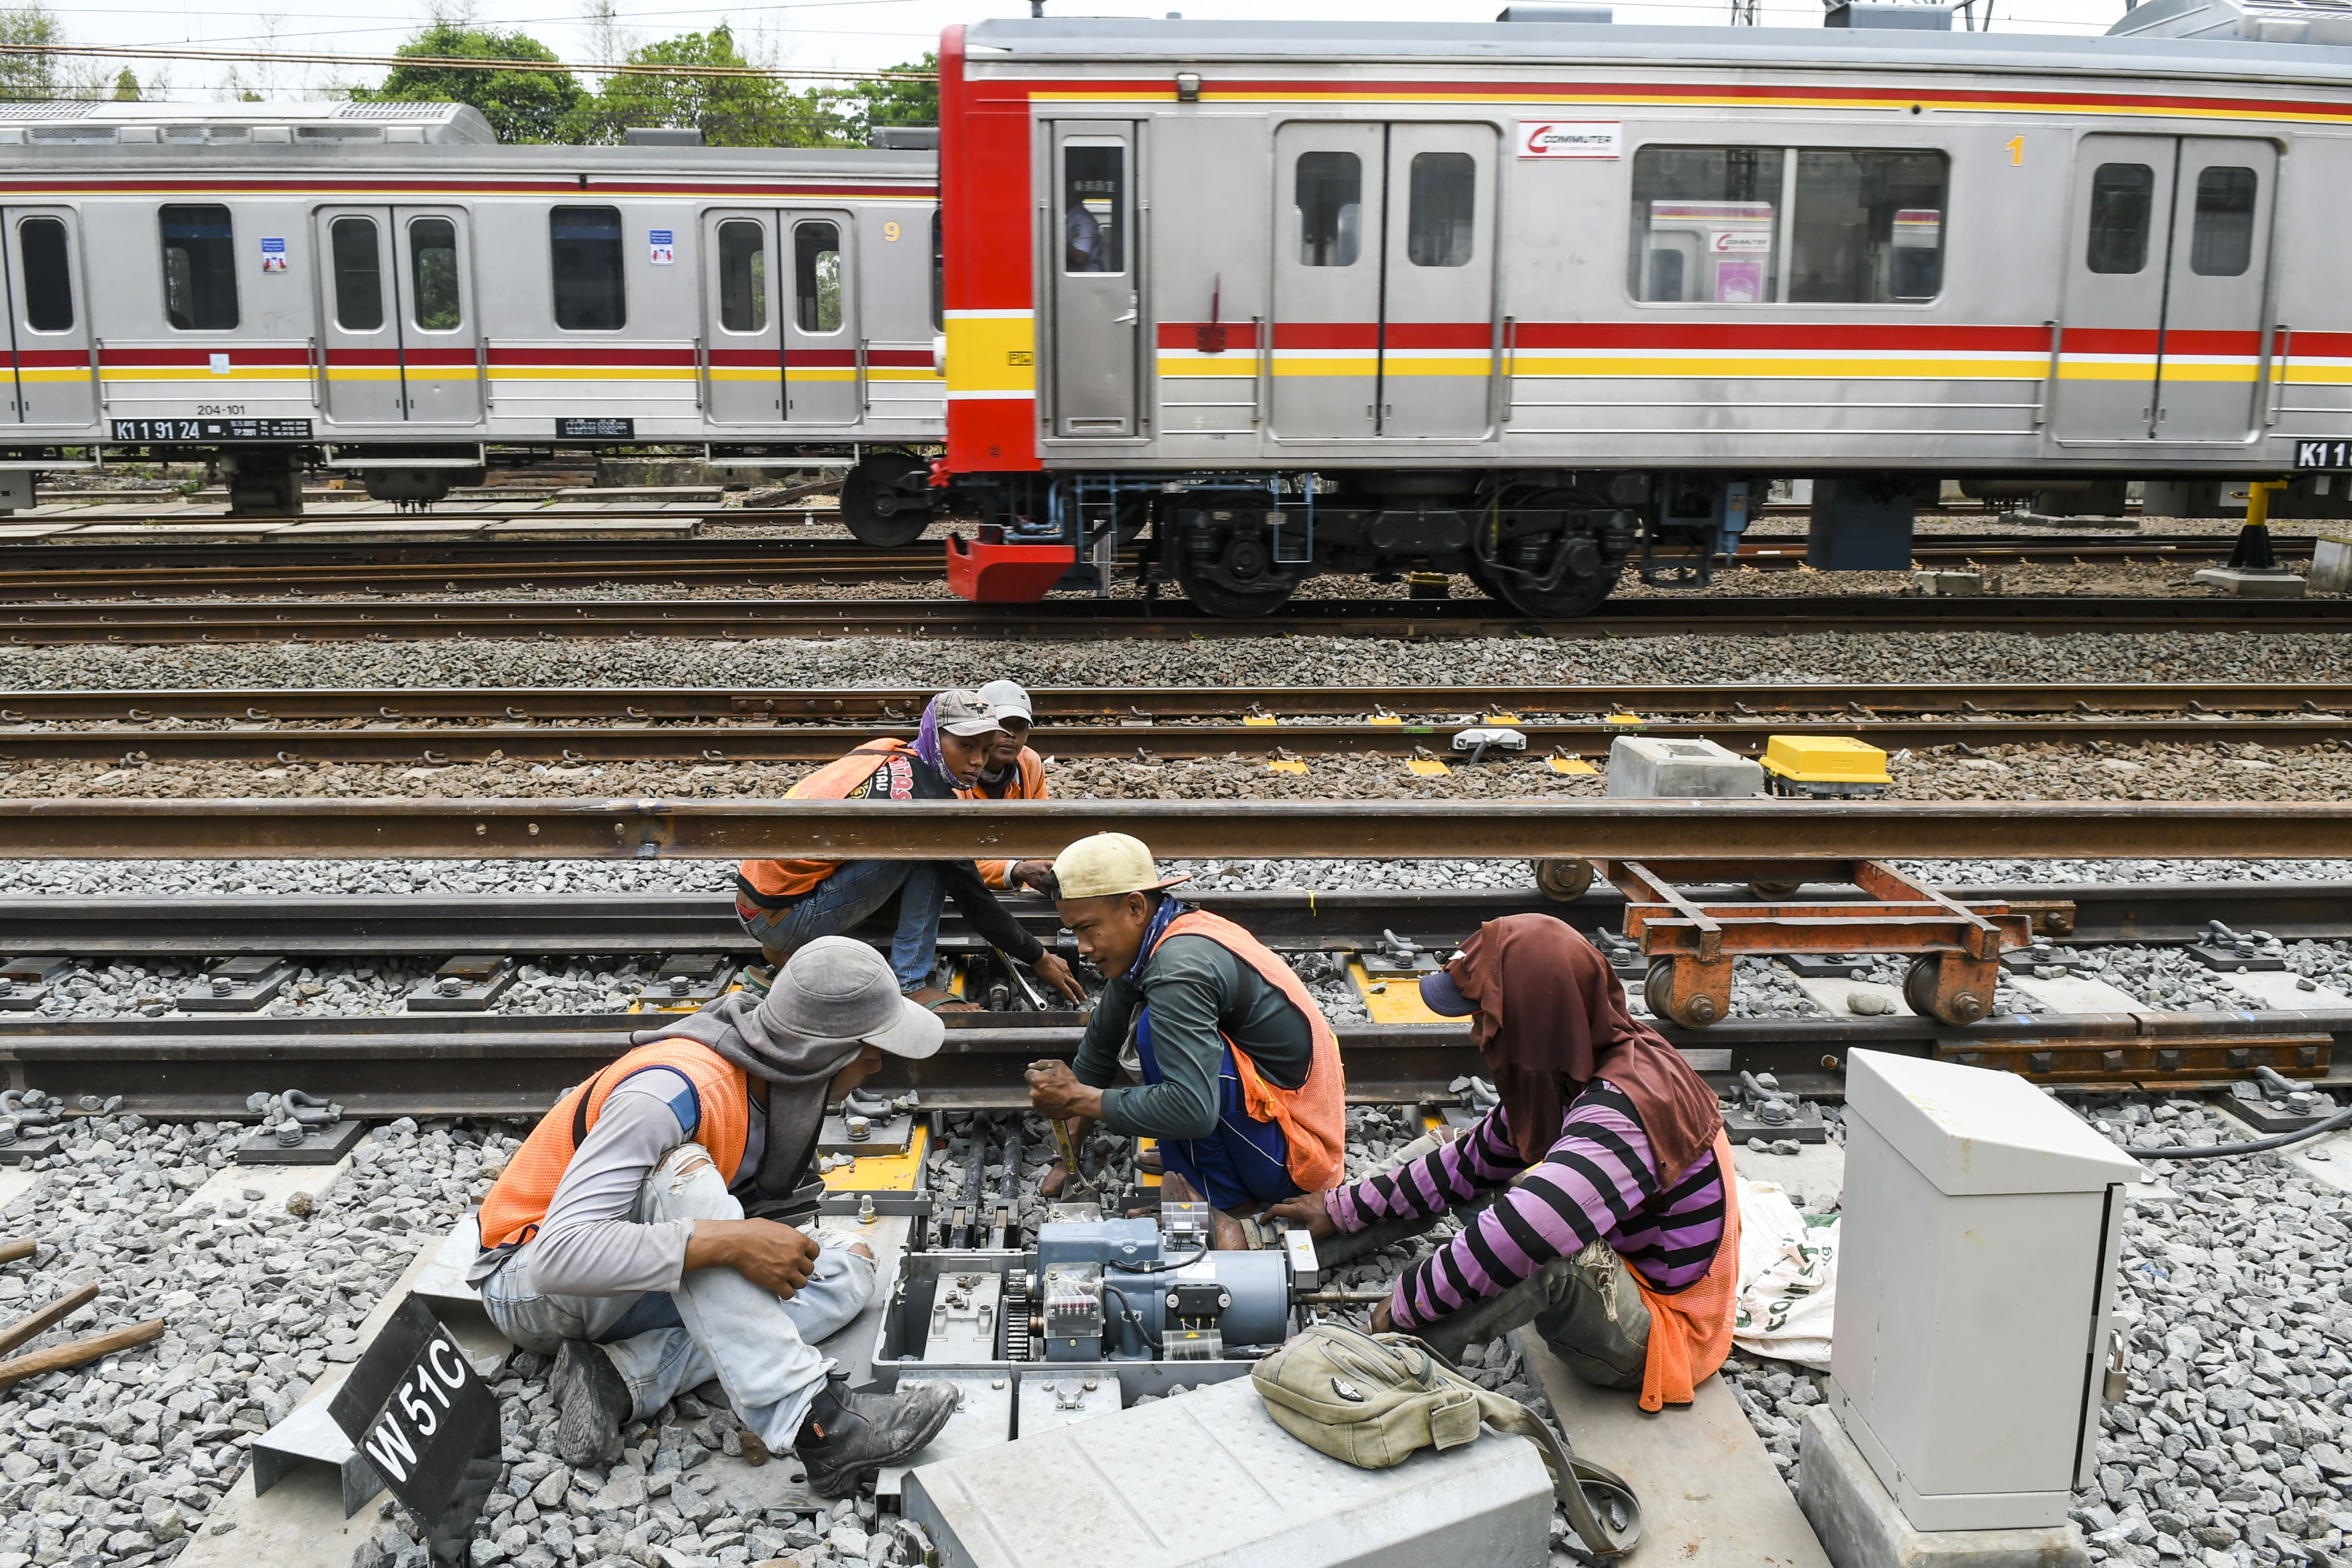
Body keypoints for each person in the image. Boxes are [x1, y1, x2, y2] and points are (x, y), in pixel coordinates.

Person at [469, 938, 961, 1497]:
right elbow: (559, 1259)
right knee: (683, 1170)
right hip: (527, 1280)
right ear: (825, 1052)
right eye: (870, 1047)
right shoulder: (672, 1091)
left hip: (623, 1281)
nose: (878, 1063)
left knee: (849, 1265)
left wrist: (733, 1243)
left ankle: (619, 1377)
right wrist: (729, 1242)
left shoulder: (763, 1077)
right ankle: (820, 1425)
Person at [1269, 917, 1740, 1413]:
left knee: (1547, 1247)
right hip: (1629, 1264)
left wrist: (1407, 1305)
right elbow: (1474, 1160)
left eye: (1484, 1018)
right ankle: (1304, 1248)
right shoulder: (1576, 1055)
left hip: (1661, 1334)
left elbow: (1524, 1235)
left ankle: (1389, 1362)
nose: (1477, 1034)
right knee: (1460, 1150)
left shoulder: (1623, 1109)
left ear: (1534, 1022)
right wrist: (1342, 1208)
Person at [1024, 832, 1345, 1246]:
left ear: (1136, 906)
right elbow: (1100, 1048)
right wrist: (1064, 1156)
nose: (1082, 948)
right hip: (1277, 1123)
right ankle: (1202, 1161)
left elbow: (1192, 1109)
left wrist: (1079, 1099)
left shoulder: (1179, 967)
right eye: (1074, 932)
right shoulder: (1156, 936)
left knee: (1156, 1033)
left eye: (1089, 929)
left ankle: (1222, 1202)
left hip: (1297, 1162)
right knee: (1163, 1040)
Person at [734, 689, 1085, 1012]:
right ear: (937, 736)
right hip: (785, 919)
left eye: (984, 748)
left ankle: (786, 951)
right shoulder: (930, 803)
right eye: (965, 746)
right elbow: (975, 902)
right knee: (931, 858)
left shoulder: (890, 749)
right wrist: (1039, 957)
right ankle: (910, 984)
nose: (978, 761)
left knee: (921, 851)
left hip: (759, 903)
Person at [963, 678, 1054, 894]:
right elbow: (951, 857)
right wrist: (1015, 870)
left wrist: (1045, 872)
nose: (1011, 734)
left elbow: (1042, 833)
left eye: (1020, 726)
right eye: (1001, 724)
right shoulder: (957, 768)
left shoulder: (1030, 764)